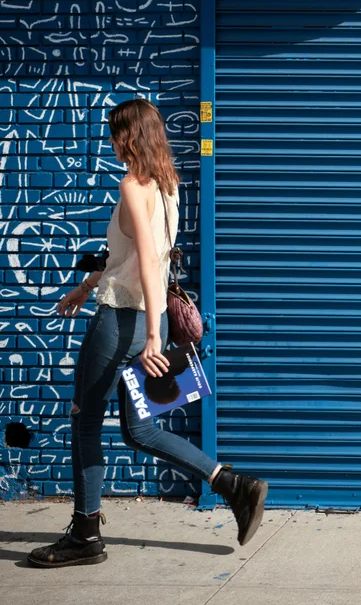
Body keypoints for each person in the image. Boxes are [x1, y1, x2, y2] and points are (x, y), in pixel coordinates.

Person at [28, 99, 268, 568]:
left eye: (117, 133)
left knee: (85, 422)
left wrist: (157, 337)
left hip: (122, 320)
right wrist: (87, 284)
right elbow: (137, 260)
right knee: (139, 430)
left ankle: (84, 534)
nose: (112, 141)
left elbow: (153, 268)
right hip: (136, 319)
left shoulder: (133, 186)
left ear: (131, 136)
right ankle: (232, 485)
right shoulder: (167, 187)